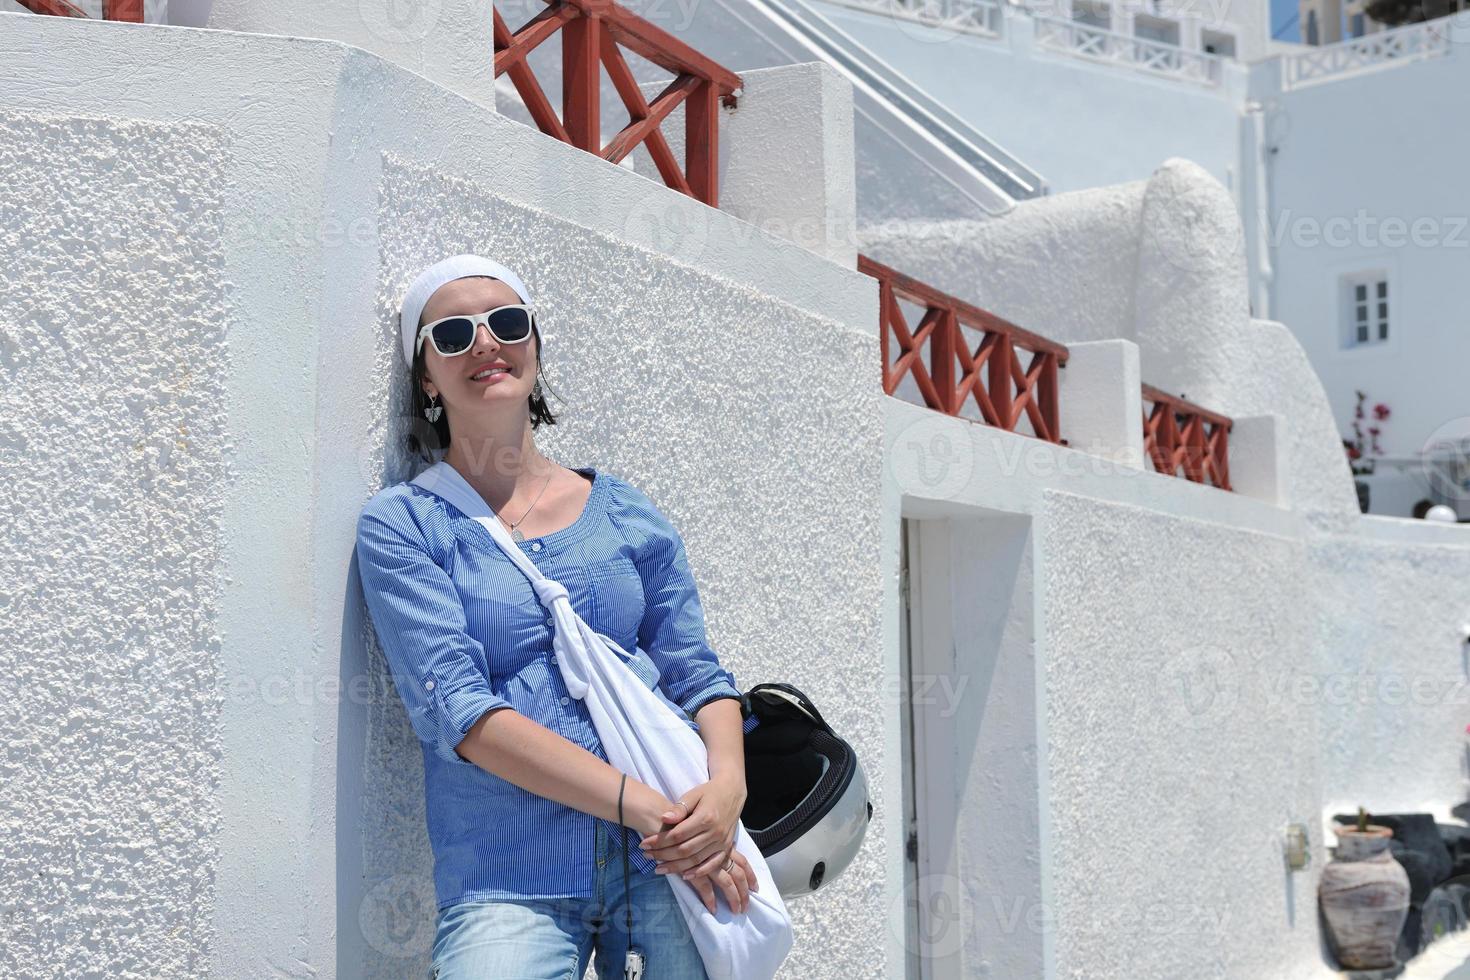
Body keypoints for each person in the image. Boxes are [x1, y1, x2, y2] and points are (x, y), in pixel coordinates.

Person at [354, 255, 756, 979]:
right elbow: (464, 718)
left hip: (672, 855)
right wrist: (642, 808)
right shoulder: (405, 524)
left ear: (534, 348)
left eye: (506, 323)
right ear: (425, 376)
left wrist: (727, 790)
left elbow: (698, 675)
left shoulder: (626, 510)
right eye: (452, 334)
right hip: (510, 871)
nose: (484, 343)